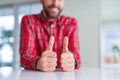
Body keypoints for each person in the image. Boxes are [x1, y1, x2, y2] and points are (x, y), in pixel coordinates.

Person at [19, 0, 80, 72]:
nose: (55, 3)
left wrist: (73, 62)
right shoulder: (28, 21)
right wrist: (37, 63)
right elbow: (25, 56)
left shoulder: (71, 22)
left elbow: (77, 58)